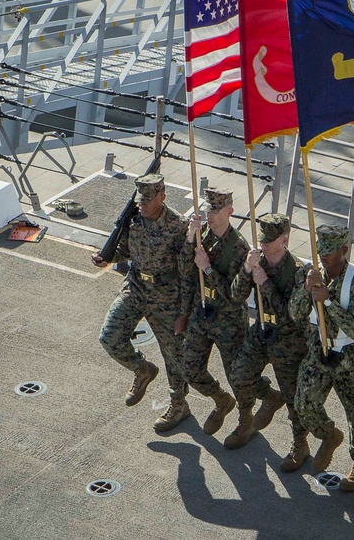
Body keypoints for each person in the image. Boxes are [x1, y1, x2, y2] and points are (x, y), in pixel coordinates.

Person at [93, 173, 192, 432]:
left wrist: (184, 312)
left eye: (148, 199)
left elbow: (188, 272)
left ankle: (179, 405)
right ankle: (142, 369)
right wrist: (107, 257)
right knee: (109, 337)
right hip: (135, 287)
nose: (143, 204)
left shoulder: (178, 226)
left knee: (175, 356)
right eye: (140, 199)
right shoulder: (133, 219)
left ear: (162, 196)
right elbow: (125, 249)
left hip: (167, 297)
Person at [289, 224, 354, 483]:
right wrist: (306, 290)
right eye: (320, 251)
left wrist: (328, 300)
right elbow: (295, 314)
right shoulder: (311, 272)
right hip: (322, 348)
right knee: (304, 403)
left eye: (330, 252)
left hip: (351, 355)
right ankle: (328, 434)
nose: (324, 258)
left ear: (344, 250)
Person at [226, 213, 308, 469]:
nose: (264, 245)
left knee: (293, 396)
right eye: (262, 239)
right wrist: (247, 270)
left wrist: (266, 283)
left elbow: (291, 314)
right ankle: (251, 415)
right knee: (239, 374)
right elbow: (236, 296)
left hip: (288, 340)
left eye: (270, 241)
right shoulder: (257, 261)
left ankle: (300, 443)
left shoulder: (298, 272)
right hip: (262, 332)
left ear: (284, 239)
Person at [178, 188, 250, 437]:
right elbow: (185, 270)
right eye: (208, 209)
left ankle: (245, 420)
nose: (210, 215)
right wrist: (190, 238)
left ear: (229, 211)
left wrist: (208, 269)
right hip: (202, 313)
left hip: (228, 320)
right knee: (190, 369)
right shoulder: (201, 237)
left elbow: (234, 295)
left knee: (236, 375)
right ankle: (221, 400)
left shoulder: (240, 247)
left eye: (216, 210)